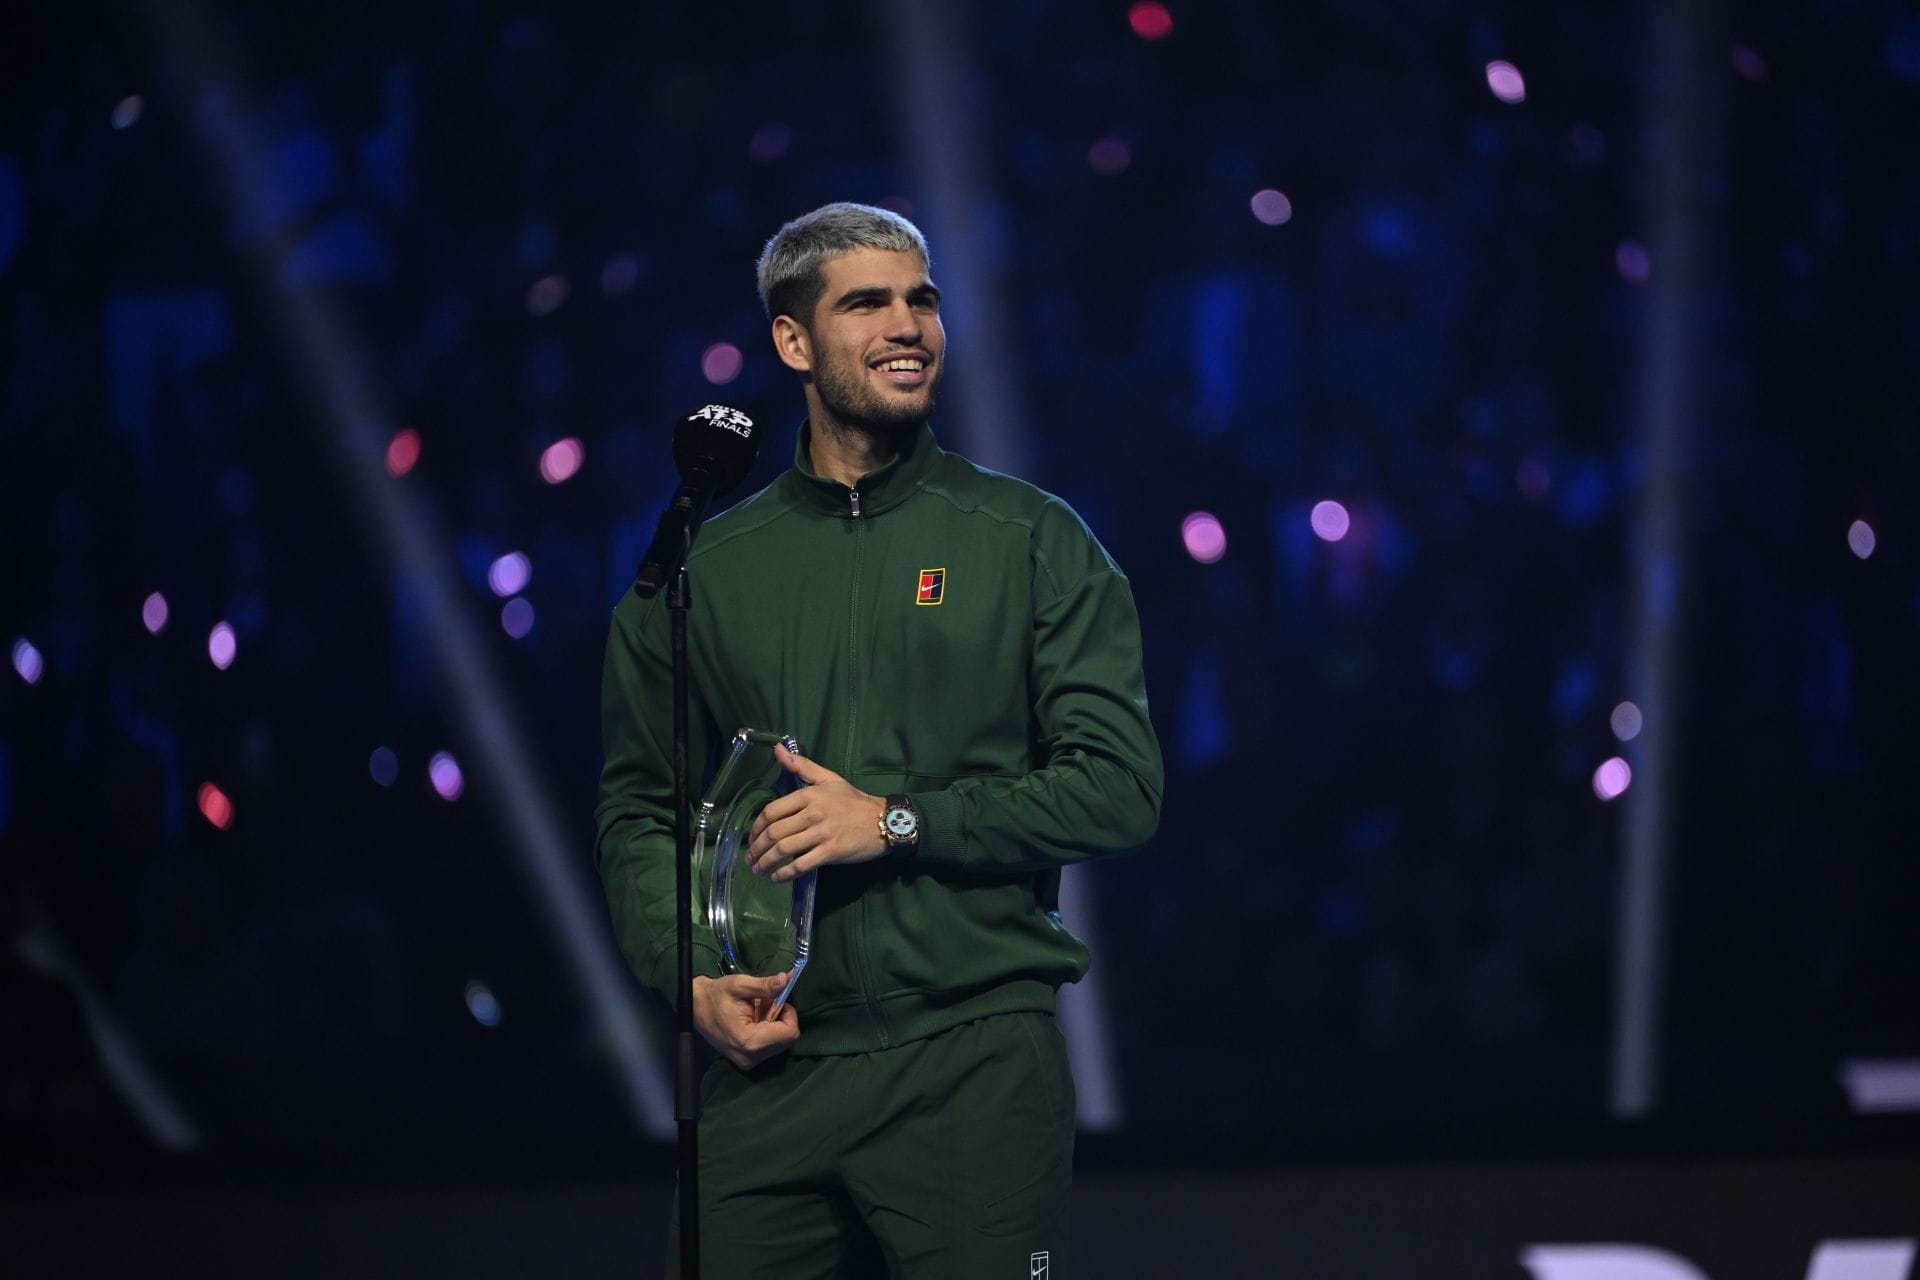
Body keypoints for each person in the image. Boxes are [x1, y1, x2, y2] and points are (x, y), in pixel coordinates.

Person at [595, 201, 1162, 1277]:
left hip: (973, 1059)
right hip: (769, 1068)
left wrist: (896, 821)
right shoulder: (701, 571)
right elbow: (639, 810)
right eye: (868, 303)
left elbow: (1120, 788)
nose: (908, 326)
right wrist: (690, 977)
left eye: (922, 300)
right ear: (793, 341)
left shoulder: (1034, 541)